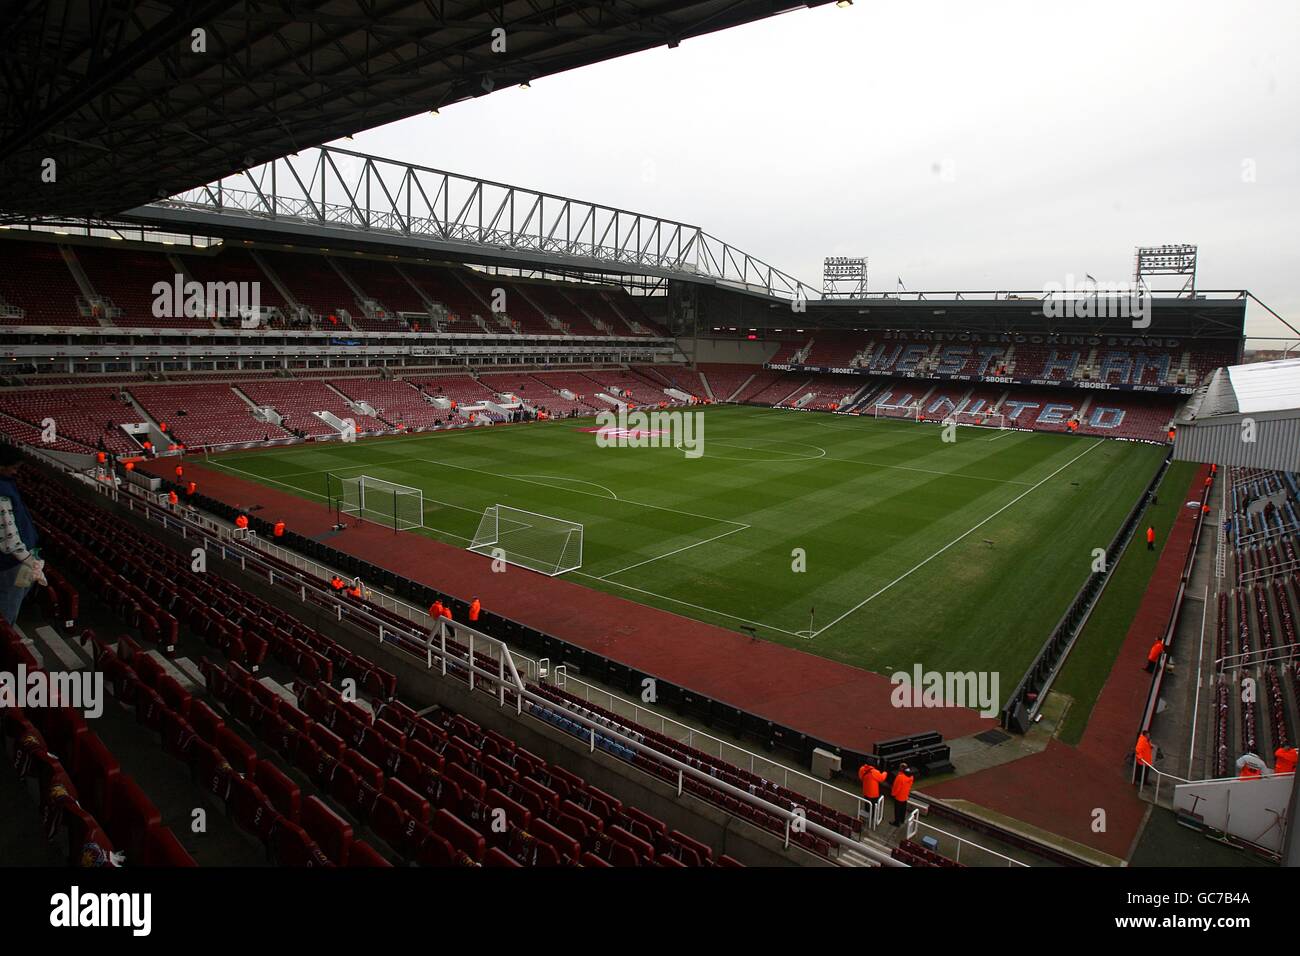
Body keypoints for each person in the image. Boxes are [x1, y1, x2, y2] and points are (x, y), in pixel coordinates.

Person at [0, 445, 45, 625]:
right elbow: (8, 538)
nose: (15, 472)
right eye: (13, 467)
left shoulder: (5, 486)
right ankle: (8, 643)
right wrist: (30, 560)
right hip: (12, 563)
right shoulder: (2, 493)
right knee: (9, 603)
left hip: (14, 561)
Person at [858, 762, 887, 827]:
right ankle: (872, 817)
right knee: (874, 805)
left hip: (866, 791)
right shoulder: (875, 772)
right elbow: (882, 778)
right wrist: (885, 772)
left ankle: (867, 813)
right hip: (873, 793)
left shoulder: (862, 769)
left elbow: (860, 777)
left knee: (867, 803)